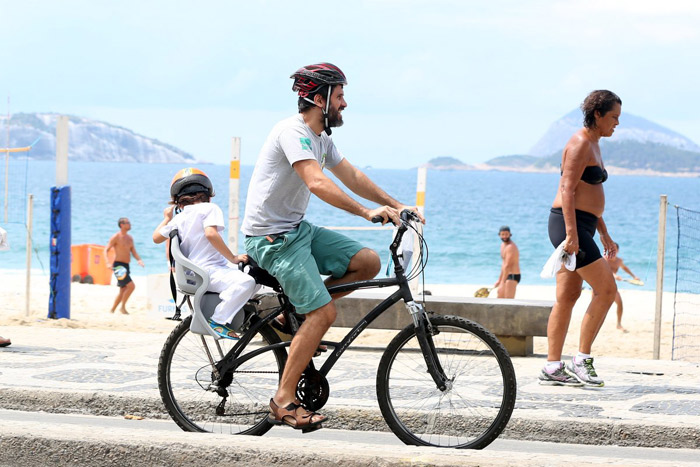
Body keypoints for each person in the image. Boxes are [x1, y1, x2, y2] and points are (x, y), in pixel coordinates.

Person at [242, 62, 424, 432]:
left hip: (296, 230)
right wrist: (365, 212)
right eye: (339, 96)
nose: (345, 103)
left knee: (367, 261)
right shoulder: (292, 132)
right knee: (323, 315)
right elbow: (316, 183)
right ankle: (283, 400)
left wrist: (397, 204)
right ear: (320, 98)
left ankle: (288, 317)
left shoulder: (322, 138)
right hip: (271, 239)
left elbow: (352, 176)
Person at [538, 90, 621, 388]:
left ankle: (552, 366)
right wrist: (572, 235)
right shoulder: (579, 143)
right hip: (567, 225)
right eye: (613, 117)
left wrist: (604, 232)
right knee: (607, 290)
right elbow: (567, 190)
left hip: (582, 224)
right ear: (597, 114)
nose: (616, 124)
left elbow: (589, 196)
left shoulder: (595, 144)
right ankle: (581, 359)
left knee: (568, 296)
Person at [153, 168, 258, 338]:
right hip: (209, 272)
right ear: (208, 195)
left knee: (254, 278)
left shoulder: (179, 218)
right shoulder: (210, 208)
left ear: (178, 203)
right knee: (248, 281)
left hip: (195, 274)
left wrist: (167, 218)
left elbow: (156, 238)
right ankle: (219, 320)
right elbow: (210, 233)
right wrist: (233, 257)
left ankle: (232, 308)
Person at [105, 217, 145, 314]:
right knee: (131, 286)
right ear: (122, 225)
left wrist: (139, 260)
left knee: (123, 289)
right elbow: (106, 250)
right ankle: (122, 307)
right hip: (118, 266)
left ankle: (112, 310)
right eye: (128, 223)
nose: (130, 224)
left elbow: (133, 251)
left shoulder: (130, 238)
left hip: (126, 266)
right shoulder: (116, 237)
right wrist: (108, 262)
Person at [606, 242, 640, 333]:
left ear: (617, 251)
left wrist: (634, 276)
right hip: (599, 284)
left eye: (614, 250)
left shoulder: (619, 261)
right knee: (595, 305)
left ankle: (619, 324)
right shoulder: (604, 259)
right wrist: (614, 275)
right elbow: (606, 270)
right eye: (611, 249)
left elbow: (625, 268)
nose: (613, 251)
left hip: (611, 285)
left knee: (620, 303)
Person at [493, 225, 520, 298]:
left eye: (506, 234)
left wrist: (502, 282)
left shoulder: (510, 247)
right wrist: (499, 280)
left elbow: (508, 265)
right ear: (499, 235)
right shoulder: (502, 245)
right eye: (502, 234)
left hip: (512, 276)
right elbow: (504, 265)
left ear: (510, 234)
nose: (504, 236)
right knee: (499, 298)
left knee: (508, 302)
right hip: (506, 275)